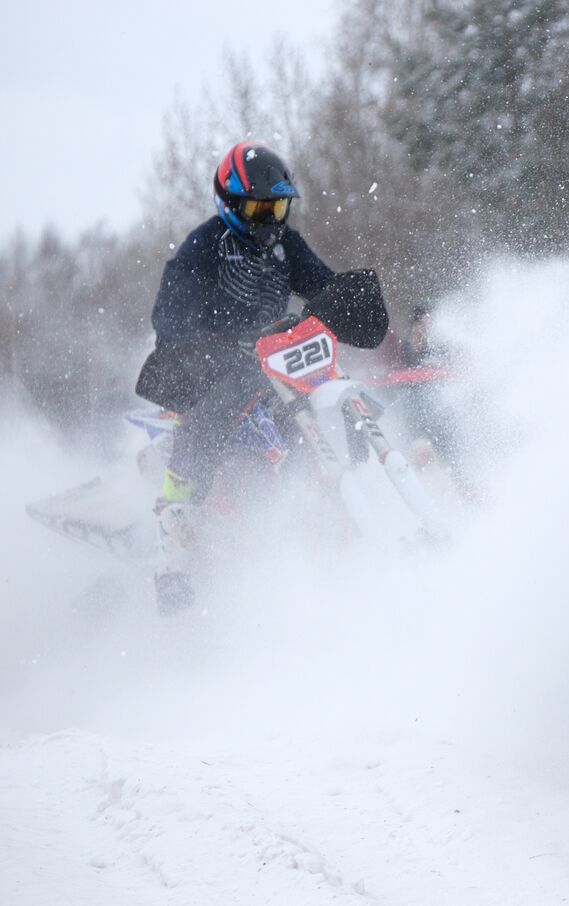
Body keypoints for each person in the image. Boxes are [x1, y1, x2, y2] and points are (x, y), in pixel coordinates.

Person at [135, 141, 389, 612]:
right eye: (258, 207)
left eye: (277, 207)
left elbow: (321, 284)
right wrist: (200, 345)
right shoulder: (204, 246)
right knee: (206, 417)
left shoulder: (284, 244)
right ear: (230, 203)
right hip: (213, 368)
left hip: (278, 364)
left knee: (326, 409)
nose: (269, 220)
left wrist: (341, 304)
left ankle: (341, 516)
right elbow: (170, 314)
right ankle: (173, 531)